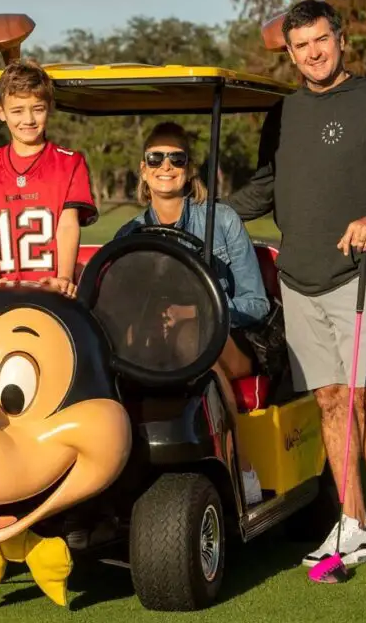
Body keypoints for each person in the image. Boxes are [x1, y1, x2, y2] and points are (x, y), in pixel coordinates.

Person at [225, 0, 366, 580]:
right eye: (301, 45)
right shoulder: (284, 112)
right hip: (298, 280)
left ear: (340, 39)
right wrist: (208, 218)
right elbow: (263, 189)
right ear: (289, 54)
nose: (313, 52)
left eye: (322, 40)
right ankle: (354, 522)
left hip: (358, 277)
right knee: (330, 401)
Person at [114, 121, 271, 507]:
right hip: (155, 344)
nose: (166, 166)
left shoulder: (222, 220)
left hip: (227, 339)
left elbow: (257, 303)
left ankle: (242, 467)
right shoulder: (129, 234)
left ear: (190, 169)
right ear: (144, 168)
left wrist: (197, 313)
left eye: (176, 159)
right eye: (156, 158)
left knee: (195, 346)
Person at [0, 60, 97, 298]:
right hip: (2, 291)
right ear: (0, 112)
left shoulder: (69, 162)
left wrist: (64, 277)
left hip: (50, 291)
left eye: (38, 109)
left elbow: (67, 224)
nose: (28, 120)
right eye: (17, 111)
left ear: (50, 107)